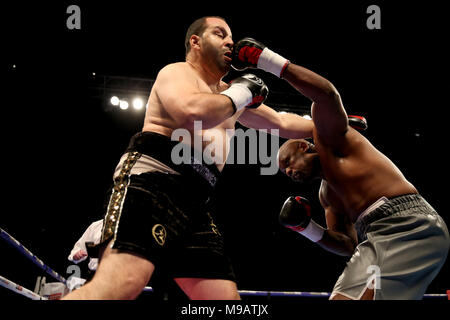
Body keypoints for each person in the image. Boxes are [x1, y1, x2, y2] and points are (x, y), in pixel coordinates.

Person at [62, 16, 314, 300]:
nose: (230, 41)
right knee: (122, 285)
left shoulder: (231, 97)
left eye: (231, 36)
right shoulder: (178, 73)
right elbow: (191, 110)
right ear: (195, 41)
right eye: (220, 34)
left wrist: (337, 126)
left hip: (196, 204)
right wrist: (243, 91)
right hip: (152, 182)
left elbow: (282, 122)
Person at [228, 36, 450, 299]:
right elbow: (346, 244)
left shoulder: (332, 140)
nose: (287, 171)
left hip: (410, 225)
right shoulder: (327, 195)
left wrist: (265, 59)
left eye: (287, 162)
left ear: (303, 146)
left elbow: (325, 94)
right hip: (373, 238)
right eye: (283, 171)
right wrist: (306, 228)